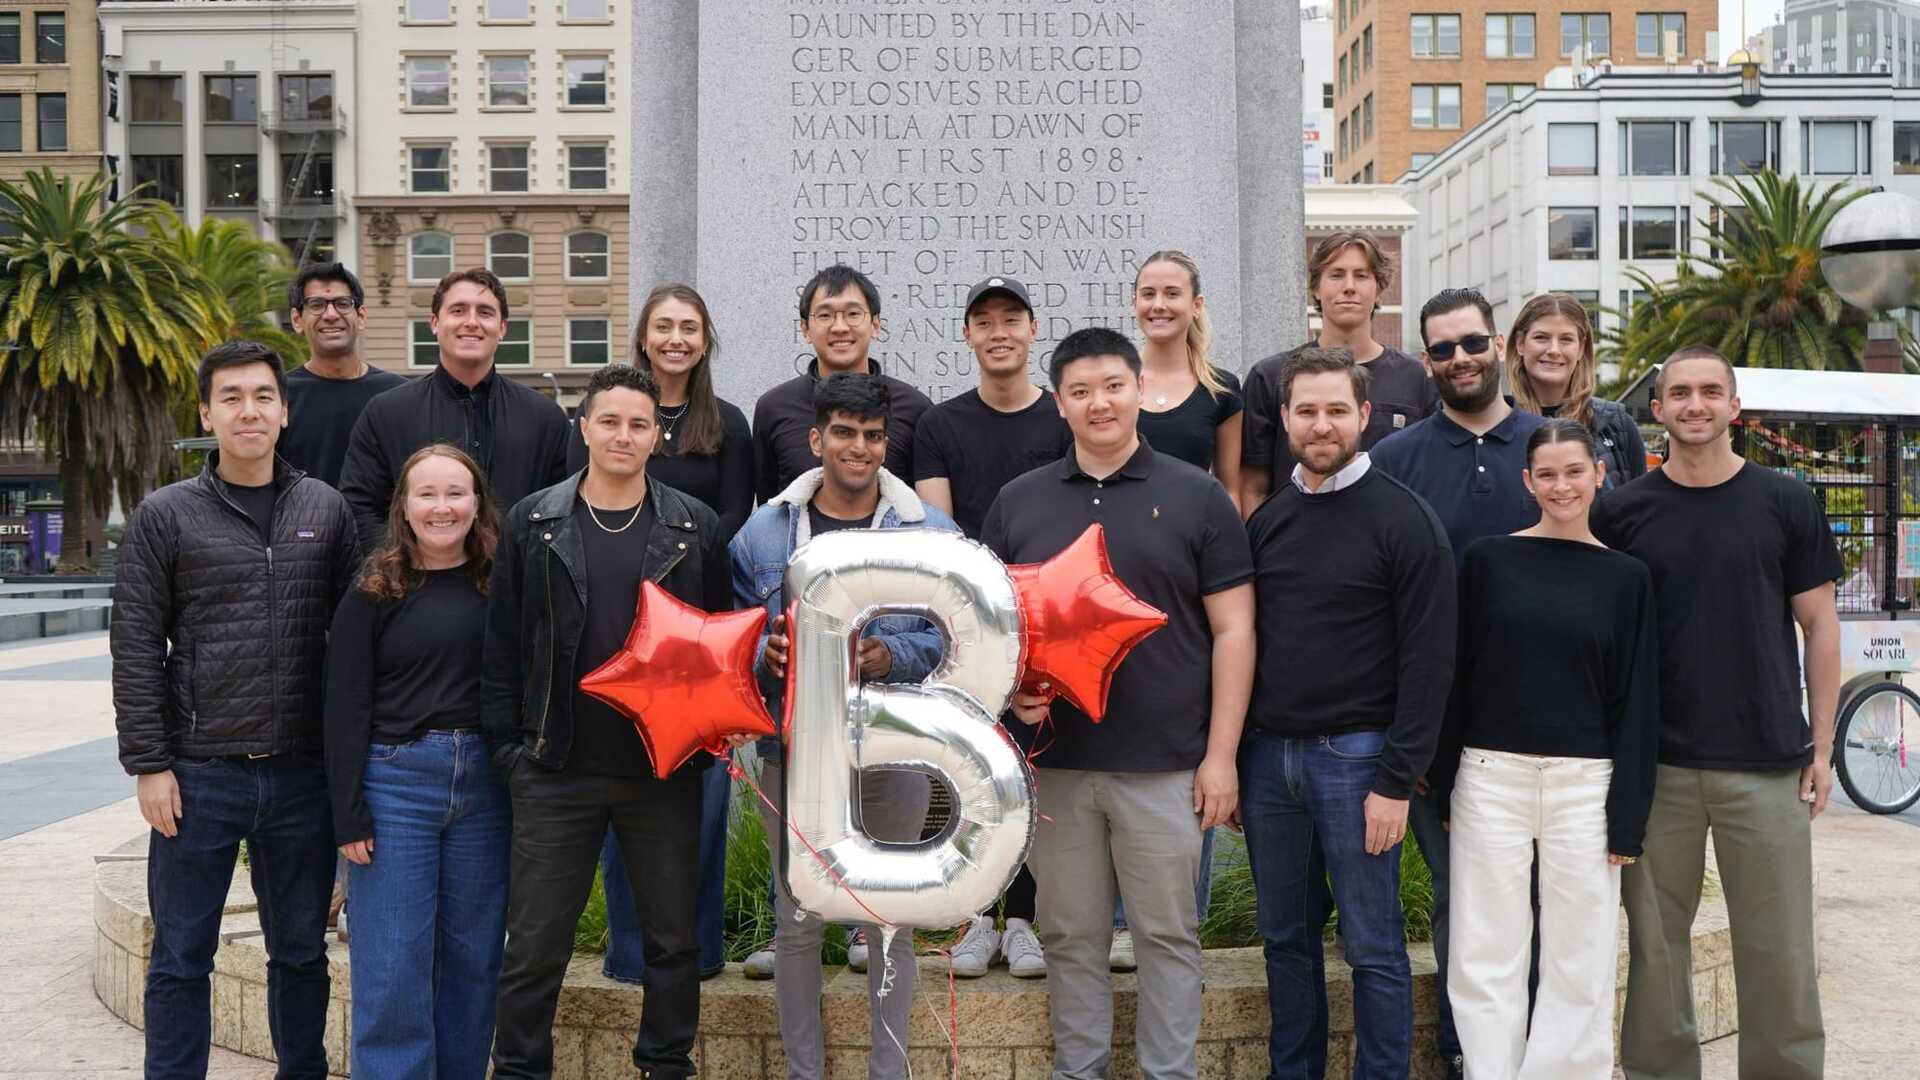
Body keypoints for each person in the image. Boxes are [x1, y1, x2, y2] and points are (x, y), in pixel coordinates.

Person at [983, 327, 1255, 1080]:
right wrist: (1013, 691)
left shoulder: (1198, 495)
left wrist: (1222, 756)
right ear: (1059, 403)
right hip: (1057, 766)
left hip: (1166, 765)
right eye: (1080, 391)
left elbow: (1235, 630)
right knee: (1069, 937)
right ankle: (1080, 1070)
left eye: (1112, 386)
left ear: (1139, 390)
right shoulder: (1019, 502)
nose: (1098, 403)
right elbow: (994, 628)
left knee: (1167, 937)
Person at [112, 340, 360, 1079]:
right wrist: (149, 764)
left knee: (301, 954)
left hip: (302, 777)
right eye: (231, 398)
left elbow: (355, 643)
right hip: (199, 776)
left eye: (262, 397)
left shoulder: (326, 508)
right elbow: (135, 643)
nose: (248, 411)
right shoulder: (166, 514)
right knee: (182, 955)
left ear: (284, 412)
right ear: (206, 414)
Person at [1595, 347, 1842, 1080]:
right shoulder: (1620, 513)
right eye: (1680, 393)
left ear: (1734, 406)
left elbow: (1820, 626)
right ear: (1658, 410)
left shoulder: (1786, 502)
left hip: (1766, 762)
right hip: (1657, 767)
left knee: (1780, 949)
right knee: (1655, 948)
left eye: (1710, 392)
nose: (1695, 404)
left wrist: (1822, 748)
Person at [482, 364, 732, 1079]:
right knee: (535, 946)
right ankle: (520, 1070)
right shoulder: (534, 521)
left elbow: (716, 644)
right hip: (555, 767)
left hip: (661, 771)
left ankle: (665, 1065)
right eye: (611, 421)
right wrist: (511, 755)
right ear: (585, 427)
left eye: (639, 424)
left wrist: (704, 743)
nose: (624, 435)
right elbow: (503, 645)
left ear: (658, 436)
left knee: (672, 941)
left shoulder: (693, 526)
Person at [1240, 346, 1456, 1080]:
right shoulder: (1269, 521)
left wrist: (1396, 780)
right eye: (1307, 411)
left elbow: (1429, 661)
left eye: (1337, 410)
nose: (1321, 424)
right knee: (1285, 941)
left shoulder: (1405, 520)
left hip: (1359, 762)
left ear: (1364, 414)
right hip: (1270, 763)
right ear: (1284, 419)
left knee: (1373, 945)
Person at [732, 373, 956, 1080]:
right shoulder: (764, 532)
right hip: (795, 752)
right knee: (797, 923)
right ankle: (806, 1072)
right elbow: (734, 636)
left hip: (895, 750)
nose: (859, 448)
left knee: (889, 922)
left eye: (872, 436)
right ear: (816, 439)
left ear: (886, 444)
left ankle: (888, 1072)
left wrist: (892, 654)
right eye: (844, 433)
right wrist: (764, 653)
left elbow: (956, 638)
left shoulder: (929, 530)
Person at [1435, 419, 1659, 1080]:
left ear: (1599, 475)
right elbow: (1457, 675)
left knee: (1581, 954)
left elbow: (1637, 701)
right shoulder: (1487, 561)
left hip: (1585, 785)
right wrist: (1444, 781)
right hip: (1489, 777)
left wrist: (1628, 817)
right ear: (1528, 481)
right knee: (1484, 952)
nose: (1563, 486)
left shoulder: (1627, 578)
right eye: (1548, 474)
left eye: (1575, 472)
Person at [1369, 287, 1545, 1079]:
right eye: (1442, 349)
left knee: (1537, 896)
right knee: (1458, 896)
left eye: (1472, 342)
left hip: (1544, 722)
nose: (1460, 359)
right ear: (1426, 360)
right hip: (1436, 722)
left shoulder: (1551, 447)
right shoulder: (1395, 462)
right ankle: (1465, 1050)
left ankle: (1535, 1052)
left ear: (1498, 343)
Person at [324, 445, 509, 1077]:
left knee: (473, 960)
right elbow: (343, 704)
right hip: (395, 787)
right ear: (403, 507)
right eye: (426, 494)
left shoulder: (501, 585)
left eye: (455, 493)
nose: (441, 507)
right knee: (392, 963)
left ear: (477, 503)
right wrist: (348, 814)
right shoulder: (373, 591)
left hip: (484, 790)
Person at [590, 284, 755, 987]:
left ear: (705, 339)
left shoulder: (728, 423)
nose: (676, 339)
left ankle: (702, 952)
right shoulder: (617, 413)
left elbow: (734, 519)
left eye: (689, 327)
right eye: (663, 326)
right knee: (622, 797)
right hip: (620, 629)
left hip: (695, 632)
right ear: (643, 336)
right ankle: (630, 955)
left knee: (701, 797)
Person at [910, 274, 1065, 979]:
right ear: (967, 334)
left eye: (1012, 319)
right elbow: (942, 533)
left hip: (1051, 622)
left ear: (1033, 330)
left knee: (1035, 772)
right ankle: (976, 916)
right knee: (972, 772)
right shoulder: (940, 425)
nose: (999, 332)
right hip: (969, 627)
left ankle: (1026, 921)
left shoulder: (1062, 416)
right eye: (984, 322)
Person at [1111, 248, 1246, 971]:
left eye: (1172, 293)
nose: (1158, 304)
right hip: (1117, 578)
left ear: (1196, 304)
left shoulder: (1221, 393)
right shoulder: (1117, 383)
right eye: (1147, 293)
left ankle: (1172, 918)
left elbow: (1232, 491)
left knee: (1184, 721)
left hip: (1189, 581)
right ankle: (1113, 918)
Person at [338, 267, 572, 554]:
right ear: (435, 323)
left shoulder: (546, 419)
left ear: (502, 328)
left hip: (520, 579)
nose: (471, 322)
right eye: (458, 310)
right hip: (414, 578)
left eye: (485, 312)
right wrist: (405, 566)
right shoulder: (386, 413)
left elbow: (565, 510)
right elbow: (359, 507)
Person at [1239, 230, 1437, 513]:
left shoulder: (1415, 377)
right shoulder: (1270, 377)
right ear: (1316, 289)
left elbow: (1427, 474)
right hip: (1294, 534)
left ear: (1379, 289)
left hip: (1389, 534)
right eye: (1336, 275)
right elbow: (1253, 487)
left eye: (1361, 275)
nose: (1349, 287)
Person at [753, 264, 932, 502]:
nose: (840, 327)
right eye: (825, 315)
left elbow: (922, 506)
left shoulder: (915, 407)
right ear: (805, 329)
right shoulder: (774, 407)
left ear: (875, 324)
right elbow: (770, 502)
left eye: (853, 314)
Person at [279, 263, 406, 489]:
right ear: (297, 320)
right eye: (316, 304)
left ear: (361, 316)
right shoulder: (278, 398)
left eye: (343, 304)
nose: (331, 315)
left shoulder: (399, 395)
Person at [1505, 292, 1647, 488]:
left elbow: (1639, 502)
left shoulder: (1617, 425)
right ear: (1520, 343)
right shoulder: (1500, 427)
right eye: (1541, 338)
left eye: (1566, 339)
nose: (1554, 350)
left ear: (1581, 348)